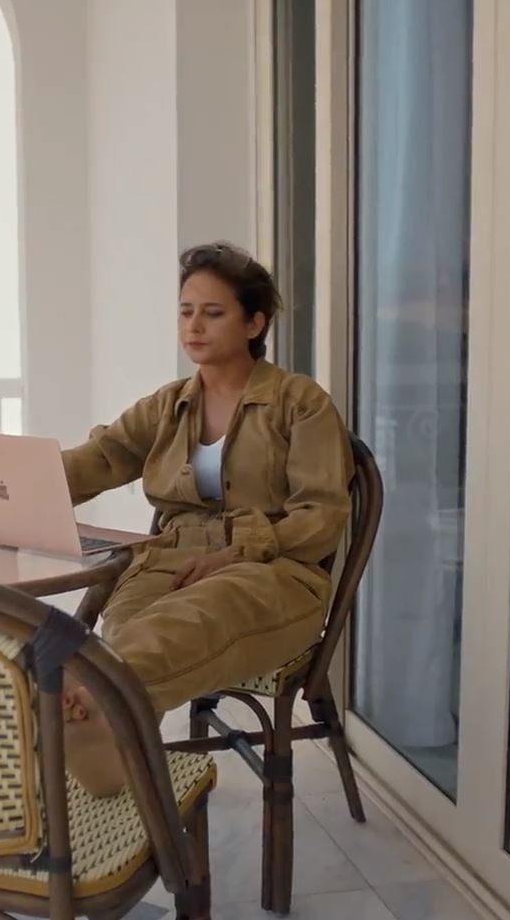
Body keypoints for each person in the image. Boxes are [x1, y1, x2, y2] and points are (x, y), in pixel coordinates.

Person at [60, 241, 353, 796]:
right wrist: (8, 484)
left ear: (253, 323)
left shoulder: (300, 403)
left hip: (274, 569)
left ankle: (88, 704)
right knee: (129, 626)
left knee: (190, 618)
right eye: (186, 311)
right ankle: (109, 737)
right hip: (171, 560)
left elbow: (322, 515)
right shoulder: (169, 404)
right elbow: (101, 458)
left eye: (213, 313)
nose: (193, 326)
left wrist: (234, 551)